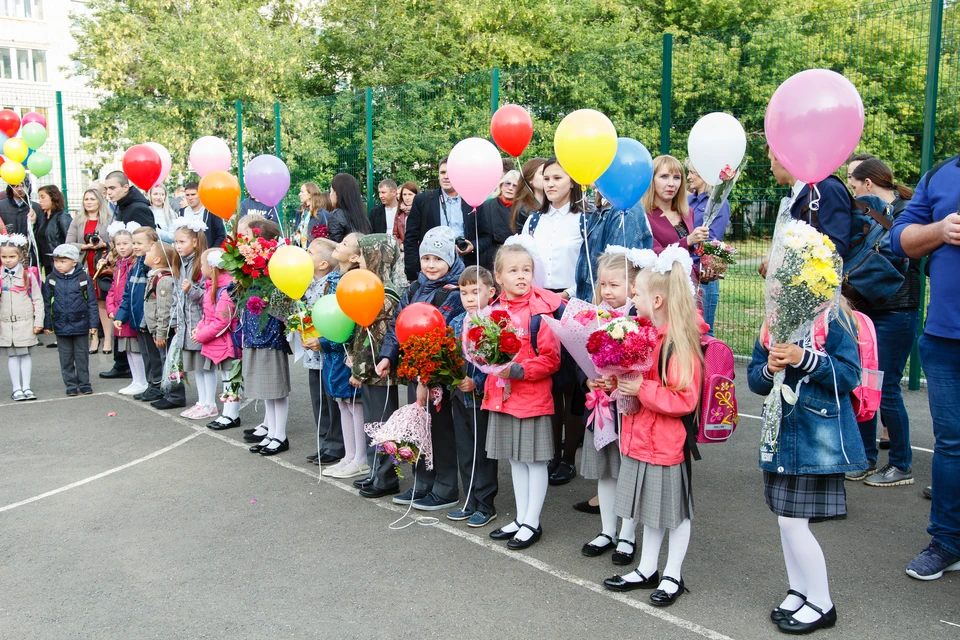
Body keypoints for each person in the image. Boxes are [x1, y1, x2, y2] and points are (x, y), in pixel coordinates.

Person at [747, 302, 866, 632]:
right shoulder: (774, 318)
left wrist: (804, 359)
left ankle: (822, 601)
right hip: (780, 436)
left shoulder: (834, 317)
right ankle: (799, 589)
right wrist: (769, 369)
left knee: (792, 523)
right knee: (786, 519)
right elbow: (755, 380)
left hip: (815, 437)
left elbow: (849, 375)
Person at [602, 248, 703, 608]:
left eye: (637, 294)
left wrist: (640, 388)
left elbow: (684, 400)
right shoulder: (645, 336)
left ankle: (673, 573)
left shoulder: (676, 343)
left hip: (665, 445)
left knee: (674, 513)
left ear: (656, 299)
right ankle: (647, 568)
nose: (632, 298)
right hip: (641, 439)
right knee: (649, 510)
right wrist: (616, 384)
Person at [890, 152, 960, 581]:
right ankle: (948, 541)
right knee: (951, 445)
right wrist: (941, 229)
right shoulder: (941, 174)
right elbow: (900, 238)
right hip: (944, 338)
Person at [376, 226, 465, 508]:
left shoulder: (454, 292)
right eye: (426, 258)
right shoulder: (414, 287)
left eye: (438, 259)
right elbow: (396, 327)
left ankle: (446, 487)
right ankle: (422, 483)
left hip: (438, 376)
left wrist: (429, 375)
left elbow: (446, 335)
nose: (430, 265)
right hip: (415, 372)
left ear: (450, 259)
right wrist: (388, 355)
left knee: (441, 431)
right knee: (418, 429)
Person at [845, 157, 919, 487]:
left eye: (854, 181)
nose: (852, 187)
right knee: (866, 384)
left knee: (886, 388)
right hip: (870, 310)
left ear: (869, 183)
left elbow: (905, 261)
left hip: (898, 311)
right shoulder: (870, 215)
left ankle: (901, 464)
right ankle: (865, 457)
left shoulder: (907, 211)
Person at [485, 240, 562, 550]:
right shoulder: (493, 309)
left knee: (535, 462)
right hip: (504, 396)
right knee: (516, 459)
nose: (521, 276)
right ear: (498, 276)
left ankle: (532, 521)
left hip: (531, 397)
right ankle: (520, 517)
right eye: (513, 271)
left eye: (526, 270)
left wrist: (517, 371)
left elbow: (551, 359)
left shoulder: (540, 312)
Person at [521, 157, 585, 485]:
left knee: (571, 385)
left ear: (572, 182)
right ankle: (552, 452)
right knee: (548, 382)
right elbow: (522, 261)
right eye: (546, 178)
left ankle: (569, 455)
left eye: (558, 177)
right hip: (540, 307)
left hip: (570, 306)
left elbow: (590, 264)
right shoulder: (533, 221)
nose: (550, 184)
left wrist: (570, 294)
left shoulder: (584, 220)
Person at [580, 251, 641, 565]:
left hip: (627, 409)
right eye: (603, 284)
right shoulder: (594, 316)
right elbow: (584, 359)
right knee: (605, 472)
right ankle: (607, 530)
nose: (606, 291)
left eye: (614, 284)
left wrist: (620, 382)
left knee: (627, 473)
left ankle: (628, 536)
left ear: (632, 286)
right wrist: (590, 381)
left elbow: (642, 366)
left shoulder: (637, 319)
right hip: (601, 408)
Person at [349, 234, 407, 500]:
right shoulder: (370, 286)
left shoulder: (386, 292)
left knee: (383, 423)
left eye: (362, 254)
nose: (358, 260)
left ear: (376, 256)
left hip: (380, 370)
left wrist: (360, 369)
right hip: (370, 369)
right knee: (373, 423)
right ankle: (376, 471)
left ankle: (387, 477)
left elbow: (378, 338)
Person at [445, 265, 499, 526]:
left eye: (475, 292)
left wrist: (476, 382)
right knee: (465, 450)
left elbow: (497, 363)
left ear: (491, 291)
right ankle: (469, 500)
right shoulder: (456, 322)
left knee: (482, 451)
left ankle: (485, 503)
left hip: (480, 398)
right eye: (464, 292)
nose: (469, 298)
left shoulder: (494, 322)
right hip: (458, 395)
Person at [321, 232, 371, 480]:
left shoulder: (354, 280)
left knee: (354, 402)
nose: (337, 245)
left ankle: (361, 457)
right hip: (333, 350)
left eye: (344, 244)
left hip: (347, 351)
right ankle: (349, 455)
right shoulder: (332, 279)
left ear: (354, 256)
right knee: (342, 402)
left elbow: (351, 320)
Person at [243, 220, 293, 457]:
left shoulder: (277, 267)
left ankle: (280, 435)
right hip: (255, 331)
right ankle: (271, 431)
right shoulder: (251, 266)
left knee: (276, 387)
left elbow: (283, 298)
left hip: (271, 332)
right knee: (265, 387)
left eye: (250, 238)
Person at [403, 157, 490, 281]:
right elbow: (410, 239)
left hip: (465, 273)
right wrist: (413, 273)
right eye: (442, 172)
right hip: (431, 274)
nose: (446, 176)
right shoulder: (423, 200)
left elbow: (486, 237)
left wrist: (473, 247)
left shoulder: (473, 201)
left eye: (451, 173)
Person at [764, 145, 852, 262]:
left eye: (771, 160)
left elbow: (837, 247)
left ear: (783, 160)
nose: (771, 168)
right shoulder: (792, 194)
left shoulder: (828, 188)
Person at [300, 237, 344, 465]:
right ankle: (324, 440)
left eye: (310, 252)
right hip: (311, 353)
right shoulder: (305, 283)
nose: (304, 255)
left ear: (323, 264)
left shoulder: (333, 283)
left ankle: (336, 443)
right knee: (318, 399)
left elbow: (335, 318)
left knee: (331, 400)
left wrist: (323, 340)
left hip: (328, 352)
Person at [642, 156, 708, 286]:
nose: (671, 183)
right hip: (659, 288)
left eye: (677, 178)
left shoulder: (687, 213)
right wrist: (687, 241)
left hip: (687, 288)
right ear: (651, 180)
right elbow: (653, 254)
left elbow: (687, 258)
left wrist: (701, 273)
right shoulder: (644, 215)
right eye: (664, 176)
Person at [190, 248, 240, 422]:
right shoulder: (212, 287)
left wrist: (202, 335)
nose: (200, 268)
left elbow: (222, 322)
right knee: (226, 377)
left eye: (203, 264)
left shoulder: (225, 290)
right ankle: (227, 412)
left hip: (227, 344)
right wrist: (199, 327)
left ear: (212, 268)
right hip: (217, 342)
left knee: (230, 377)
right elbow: (207, 315)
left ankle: (231, 414)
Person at [43, 244, 98, 396]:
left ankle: (84, 383)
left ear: (74, 262)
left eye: (62, 261)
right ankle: (70, 385)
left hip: (81, 323)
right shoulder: (51, 279)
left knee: (82, 356)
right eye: (56, 261)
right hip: (61, 324)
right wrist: (47, 324)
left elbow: (92, 303)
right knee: (65, 357)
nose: (58, 265)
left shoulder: (83, 278)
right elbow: (47, 303)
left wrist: (93, 324)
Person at [575, 197, 653, 303]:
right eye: (603, 284)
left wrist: (594, 307)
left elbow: (617, 270)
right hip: (594, 306)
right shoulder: (602, 208)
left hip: (608, 310)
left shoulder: (626, 210)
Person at [170, 218, 210, 419]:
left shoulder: (201, 265)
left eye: (182, 242)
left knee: (205, 366)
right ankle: (202, 401)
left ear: (195, 241)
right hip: (186, 324)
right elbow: (176, 297)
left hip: (200, 325)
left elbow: (208, 296)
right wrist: (175, 321)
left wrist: (192, 290)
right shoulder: (180, 264)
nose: (177, 246)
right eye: (176, 242)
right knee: (195, 367)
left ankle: (209, 402)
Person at [686, 160, 730, 335]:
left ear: (705, 174)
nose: (688, 177)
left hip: (703, 277)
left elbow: (712, 241)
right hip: (683, 273)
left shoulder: (718, 204)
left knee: (703, 332)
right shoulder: (689, 201)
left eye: (692, 172)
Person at [67, 188, 113, 354]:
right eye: (86, 199)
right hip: (84, 265)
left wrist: (103, 245)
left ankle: (107, 339)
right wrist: (86, 246)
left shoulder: (108, 220)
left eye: (92, 199)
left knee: (102, 302)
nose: (89, 202)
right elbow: (69, 243)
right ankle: (94, 338)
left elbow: (116, 242)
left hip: (102, 265)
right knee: (88, 303)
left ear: (100, 201)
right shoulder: (77, 220)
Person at [137, 238, 181, 407]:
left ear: (157, 260)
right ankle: (167, 392)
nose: (145, 254)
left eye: (149, 252)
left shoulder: (163, 279)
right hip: (157, 330)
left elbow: (164, 308)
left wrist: (160, 332)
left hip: (164, 331)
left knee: (169, 362)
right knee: (164, 362)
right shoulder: (154, 277)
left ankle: (174, 395)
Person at [112, 225, 154, 397]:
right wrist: (118, 313)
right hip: (130, 314)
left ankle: (146, 382)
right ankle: (139, 381)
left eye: (137, 243)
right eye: (134, 243)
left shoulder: (143, 265)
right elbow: (124, 293)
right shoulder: (128, 265)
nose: (134, 246)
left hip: (142, 317)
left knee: (144, 352)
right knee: (133, 350)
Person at [0, 233, 42, 401]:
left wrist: (38, 321)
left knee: (25, 355)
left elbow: (38, 300)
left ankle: (27, 387)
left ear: (20, 256)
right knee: (12, 356)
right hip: (6, 324)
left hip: (25, 323)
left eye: (12, 256)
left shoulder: (29, 276)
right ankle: (16, 388)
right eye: (3, 256)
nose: (7, 260)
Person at [104, 224, 141, 384]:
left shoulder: (133, 264)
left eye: (125, 243)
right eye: (118, 244)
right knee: (127, 349)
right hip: (119, 313)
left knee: (135, 349)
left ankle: (141, 380)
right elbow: (113, 289)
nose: (122, 247)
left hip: (127, 313)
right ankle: (135, 380)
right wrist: (111, 309)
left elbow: (129, 293)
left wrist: (120, 312)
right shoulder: (119, 264)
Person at [479, 171, 520, 270]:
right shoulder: (486, 206)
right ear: (501, 186)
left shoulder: (522, 210)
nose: (510, 188)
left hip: (512, 255)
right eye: (507, 184)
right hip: (488, 256)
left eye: (515, 186)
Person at [31, 185, 71, 276]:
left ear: (53, 198)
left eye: (43, 197)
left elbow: (69, 241)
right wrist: (33, 223)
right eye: (39, 197)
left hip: (59, 263)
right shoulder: (43, 218)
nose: (40, 200)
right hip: (46, 263)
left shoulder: (62, 217)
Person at [178, 181, 225, 251]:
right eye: (187, 195)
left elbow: (221, 235)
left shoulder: (211, 212)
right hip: (187, 254)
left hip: (207, 252)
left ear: (200, 195)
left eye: (193, 194)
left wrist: (212, 252)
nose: (190, 198)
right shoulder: (182, 212)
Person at [327, 173, 373, 243]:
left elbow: (334, 245)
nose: (330, 195)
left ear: (337, 194)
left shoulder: (335, 216)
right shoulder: (362, 216)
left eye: (331, 191)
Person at [511, 158, 546, 236]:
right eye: (542, 173)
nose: (547, 177)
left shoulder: (551, 203)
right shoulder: (525, 209)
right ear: (530, 179)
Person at [293, 183, 331, 248]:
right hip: (300, 252)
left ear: (310, 194)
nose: (299, 194)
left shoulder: (323, 214)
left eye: (302, 192)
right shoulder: (300, 212)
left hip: (314, 253)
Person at [395, 181, 419, 245]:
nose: (407, 198)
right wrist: (401, 244)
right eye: (404, 194)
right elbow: (395, 234)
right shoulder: (399, 212)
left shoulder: (422, 211)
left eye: (410, 194)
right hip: (403, 249)